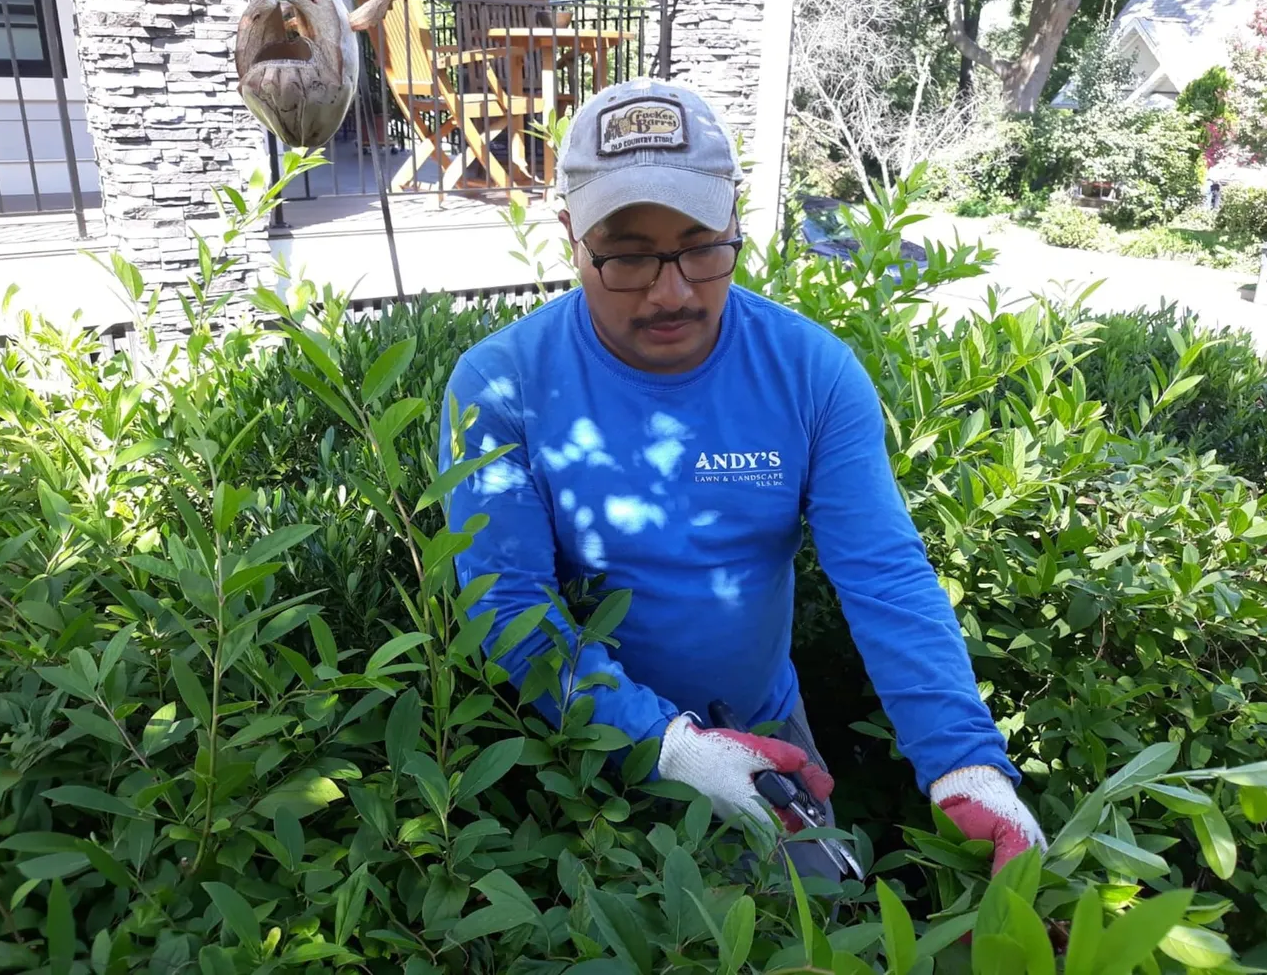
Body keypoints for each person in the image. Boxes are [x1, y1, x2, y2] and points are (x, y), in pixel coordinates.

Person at [436, 76, 1045, 879]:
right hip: (583, 758)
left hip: (772, 736)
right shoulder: (499, 384)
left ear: (735, 222)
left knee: (822, 929)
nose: (672, 290)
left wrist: (964, 763)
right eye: (626, 255)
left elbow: (886, 576)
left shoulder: (811, 371)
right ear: (570, 240)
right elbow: (507, 605)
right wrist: (670, 748)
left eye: (700, 244)